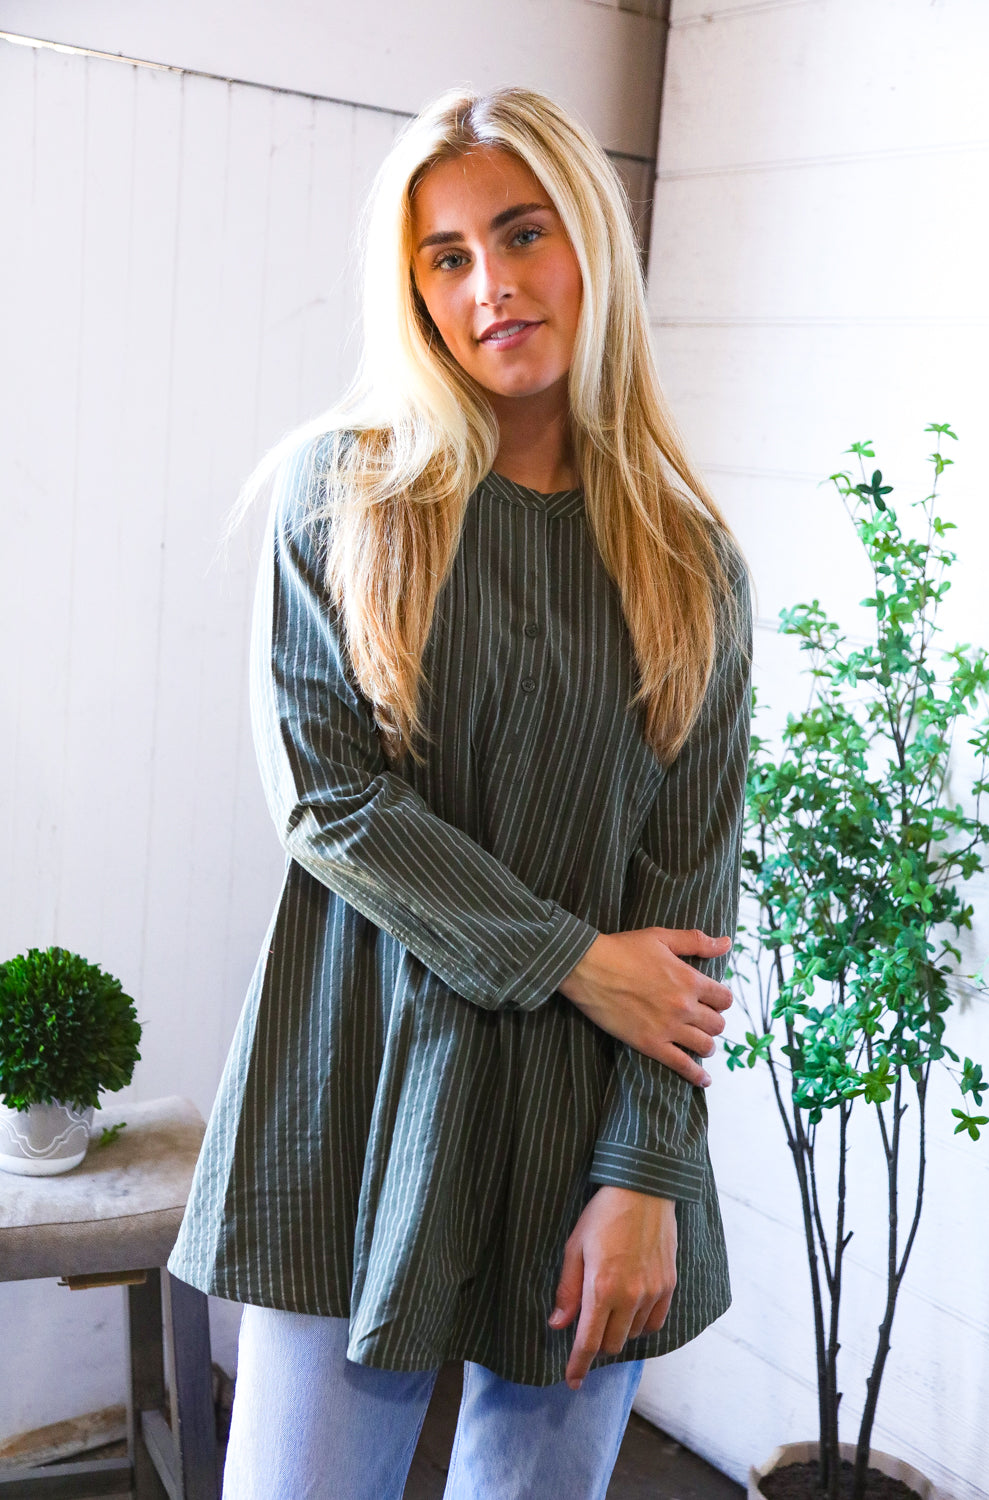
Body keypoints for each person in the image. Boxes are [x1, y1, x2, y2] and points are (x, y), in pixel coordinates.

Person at [168, 84, 752, 1500]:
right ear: (414, 289)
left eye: (522, 233)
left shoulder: (690, 564)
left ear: (590, 243)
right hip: (359, 1082)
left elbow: (687, 920)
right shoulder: (344, 496)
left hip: (585, 1128)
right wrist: (575, 961)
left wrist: (647, 1173)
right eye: (447, 256)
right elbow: (331, 802)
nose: (491, 284)